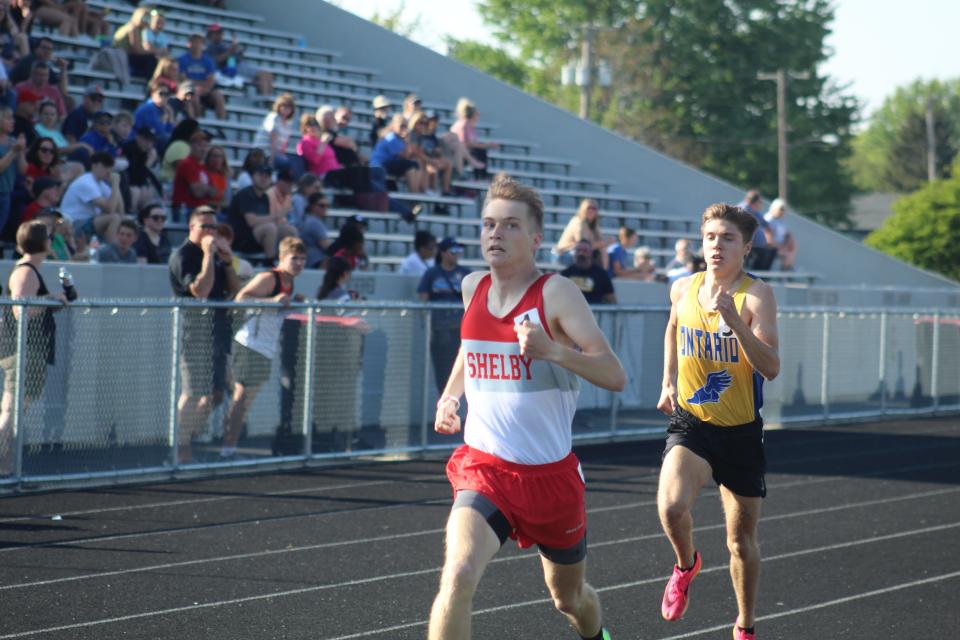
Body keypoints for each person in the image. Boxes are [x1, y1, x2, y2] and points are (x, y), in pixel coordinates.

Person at [428, 173, 625, 640]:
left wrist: (553, 351)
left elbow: (614, 375)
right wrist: (451, 393)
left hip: (550, 479)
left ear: (536, 239)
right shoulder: (472, 286)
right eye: (488, 224)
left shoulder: (556, 293)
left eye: (510, 225)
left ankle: (596, 636)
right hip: (485, 468)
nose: (495, 234)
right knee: (457, 575)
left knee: (569, 600)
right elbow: (471, 345)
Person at [655, 203, 780, 640]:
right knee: (671, 507)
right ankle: (685, 564)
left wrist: (733, 320)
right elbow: (672, 327)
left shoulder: (756, 295)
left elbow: (770, 366)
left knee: (740, 543)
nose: (716, 246)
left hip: (741, 433)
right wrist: (668, 380)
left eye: (727, 238)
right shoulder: (681, 288)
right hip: (693, 424)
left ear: (745, 247)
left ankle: (744, 626)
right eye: (710, 237)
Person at [222, 237, 306, 460]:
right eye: (294, 258)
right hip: (250, 343)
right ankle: (227, 449)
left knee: (246, 401)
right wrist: (274, 300)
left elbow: (278, 310)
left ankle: (230, 446)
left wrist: (292, 303)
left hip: (265, 348)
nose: (299, 263)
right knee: (241, 398)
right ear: (281, 258)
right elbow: (241, 299)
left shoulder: (290, 282)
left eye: (302, 259)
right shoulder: (270, 277)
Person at [168, 206, 241, 463]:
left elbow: (234, 291)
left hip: (219, 330)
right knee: (193, 391)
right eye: (205, 227)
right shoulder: (184, 255)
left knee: (217, 392)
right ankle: (180, 447)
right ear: (192, 228)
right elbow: (201, 291)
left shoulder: (217, 256)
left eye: (214, 227)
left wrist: (228, 260)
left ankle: (187, 434)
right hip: (195, 331)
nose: (211, 232)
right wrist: (208, 255)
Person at [0, 220, 69, 475]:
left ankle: (7, 467)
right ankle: (3, 465)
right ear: (42, 241)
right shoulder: (26, 271)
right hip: (23, 349)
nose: (52, 242)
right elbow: (21, 310)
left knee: (17, 408)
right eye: (49, 238)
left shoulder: (29, 270)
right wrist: (53, 299)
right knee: (12, 408)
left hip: (30, 350)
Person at [417, 237, 470, 393]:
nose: (457, 254)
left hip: (460, 330)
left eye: (459, 251)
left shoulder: (465, 274)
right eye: (453, 251)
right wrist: (427, 327)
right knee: (443, 372)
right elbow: (423, 300)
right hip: (440, 330)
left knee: (462, 369)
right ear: (443, 253)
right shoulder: (431, 273)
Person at [226, 164, 297, 261]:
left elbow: (268, 219)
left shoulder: (265, 198)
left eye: (267, 176)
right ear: (253, 176)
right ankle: (269, 262)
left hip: (256, 235)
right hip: (240, 238)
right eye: (260, 175)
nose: (264, 178)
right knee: (270, 228)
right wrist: (277, 215)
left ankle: (287, 262)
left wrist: (280, 221)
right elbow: (251, 222)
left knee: (290, 230)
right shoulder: (245, 194)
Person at [59, 151, 122, 244]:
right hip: (73, 224)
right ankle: (111, 253)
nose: (108, 171)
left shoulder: (101, 184)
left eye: (109, 167)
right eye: (104, 166)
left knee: (122, 221)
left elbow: (120, 211)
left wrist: (115, 186)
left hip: (87, 222)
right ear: (94, 165)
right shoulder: (86, 182)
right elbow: (110, 209)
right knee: (114, 218)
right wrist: (115, 184)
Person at [205, 22, 273, 95]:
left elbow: (236, 55)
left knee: (268, 75)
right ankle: (265, 98)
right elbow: (216, 61)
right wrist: (231, 51)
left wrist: (238, 51)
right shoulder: (211, 47)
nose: (219, 34)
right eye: (215, 33)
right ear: (210, 35)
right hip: (233, 67)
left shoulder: (224, 44)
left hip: (240, 64)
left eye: (220, 32)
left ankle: (267, 98)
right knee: (262, 75)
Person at [370, 114, 425, 193]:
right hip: (381, 165)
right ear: (394, 125)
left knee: (414, 166)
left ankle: (416, 192)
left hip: (388, 163)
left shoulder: (397, 138)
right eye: (402, 126)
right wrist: (407, 140)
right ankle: (414, 193)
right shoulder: (390, 137)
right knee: (412, 165)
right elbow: (405, 155)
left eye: (406, 126)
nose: (404, 129)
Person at [177, 33, 226, 120]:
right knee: (193, 95)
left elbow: (211, 80)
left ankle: (221, 123)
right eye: (194, 42)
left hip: (205, 90)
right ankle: (199, 121)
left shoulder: (208, 61)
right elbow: (184, 79)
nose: (196, 45)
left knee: (218, 95)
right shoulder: (182, 59)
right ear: (189, 44)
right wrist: (198, 86)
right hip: (190, 89)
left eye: (199, 43)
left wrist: (204, 88)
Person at [172, 129, 217, 219]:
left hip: (201, 210)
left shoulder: (204, 166)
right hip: (185, 210)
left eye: (206, 146)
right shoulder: (187, 164)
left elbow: (214, 192)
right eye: (200, 145)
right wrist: (206, 189)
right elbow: (197, 193)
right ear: (191, 146)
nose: (203, 149)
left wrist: (203, 188)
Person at [555, 198, 608, 268]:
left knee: (603, 252)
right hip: (564, 254)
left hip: (576, 252)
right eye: (589, 207)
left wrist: (603, 243)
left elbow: (600, 241)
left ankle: (603, 275)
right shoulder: (578, 222)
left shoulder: (594, 224)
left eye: (594, 208)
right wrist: (603, 243)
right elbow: (582, 244)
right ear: (583, 209)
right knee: (591, 252)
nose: (591, 210)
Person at [561, 240, 617, 304]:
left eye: (585, 250)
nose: (581, 253)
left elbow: (611, 298)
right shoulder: (565, 274)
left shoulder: (601, 274)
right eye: (578, 250)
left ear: (591, 253)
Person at [121, 126, 161, 212]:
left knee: (148, 190)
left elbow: (146, 178)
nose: (149, 144)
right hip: (125, 184)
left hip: (136, 184)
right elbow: (135, 177)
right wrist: (149, 162)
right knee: (136, 191)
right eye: (146, 140)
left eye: (151, 141)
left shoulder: (145, 152)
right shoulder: (130, 149)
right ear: (138, 138)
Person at [0, 107, 26, 234]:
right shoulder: (11, 147)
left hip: (6, 193)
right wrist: (13, 151)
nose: (13, 121)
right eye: (8, 118)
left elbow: (23, 170)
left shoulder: (12, 141)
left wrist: (20, 151)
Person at [253, 93, 296, 169]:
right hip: (263, 152)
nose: (286, 108)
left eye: (289, 106)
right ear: (279, 105)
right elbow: (273, 139)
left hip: (274, 153)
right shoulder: (273, 117)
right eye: (284, 105)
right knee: (286, 165)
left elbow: (283, 145)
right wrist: (272, 159)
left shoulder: (288, 124)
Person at [111, 6, 155, 79]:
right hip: (121, 57)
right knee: (151, 59)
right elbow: (137, 50)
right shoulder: (133, 29)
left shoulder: (131, 27)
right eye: (145, 18)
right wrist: (153, 52)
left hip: (122, 56)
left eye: (149, 19)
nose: (147, 21)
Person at [737, 190, 775, 271]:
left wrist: (770, 240)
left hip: (756, 246)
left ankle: (760, 279)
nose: (761, 204)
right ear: (755, 202)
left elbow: (767, 226)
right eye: (760, 202)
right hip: (744, 245)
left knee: (771, 251)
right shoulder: (742, 210)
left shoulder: (755, 211)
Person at [133, 80, 174, 152]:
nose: (164, 97)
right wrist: (164, 119)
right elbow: (158, 132)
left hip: (151, 140)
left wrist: (170, 117)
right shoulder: (148, 108)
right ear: (152, 94)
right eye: (161, 94)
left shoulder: (162, 109)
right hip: (140, 141)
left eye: (166, 94)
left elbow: (171, 132)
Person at [296, 114, 340, 179]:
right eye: (309, 124)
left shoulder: (320, 141)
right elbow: (315, 160)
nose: (312, 127)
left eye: (315, 124)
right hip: (321, 175)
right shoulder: (305, 142)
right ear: (304, 127)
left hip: (334, 172)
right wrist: (323, 143)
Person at [298, 192, 331, 269]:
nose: (325, 208)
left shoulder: (307, 219)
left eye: (327, 206)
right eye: (321, 206)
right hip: (316, 262)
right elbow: (326, 247)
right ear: (312, 206)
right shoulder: (314, 223)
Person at [763, 198, 797, 270]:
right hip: (769, 247)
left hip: (779, 246)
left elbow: (787, 234)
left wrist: (789, 241)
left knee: (792, 245)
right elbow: (769, 239)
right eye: (781, 209)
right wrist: (781, 248)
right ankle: (785, 272)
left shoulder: (780, 220)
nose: (783, 212)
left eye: (784, 209)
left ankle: (786, 271)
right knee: (786, 254)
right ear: (774, 208)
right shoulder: (769, 219)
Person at [205, 144, 231, 211]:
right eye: (214, 156)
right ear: (209, 157)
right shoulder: (203, 173)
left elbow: (227, 201)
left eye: (220, 156)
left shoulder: (224, 176)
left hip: (222, 211)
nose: (217, 159)